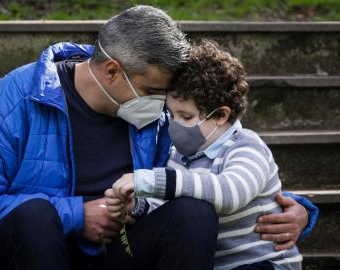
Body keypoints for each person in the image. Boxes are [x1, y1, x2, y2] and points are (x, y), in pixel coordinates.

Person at [0, 5, 316, 270]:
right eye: (153, 91)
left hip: (106, 255)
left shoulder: (158, 112)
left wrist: (288, 208)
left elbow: (212, 161)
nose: (162, 106)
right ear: (111, 70)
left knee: (192, 213)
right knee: (37, 217)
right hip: (20, 253)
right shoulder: (18, 98)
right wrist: (74, 215)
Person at [109, 40, 318, 270]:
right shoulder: (179, 155)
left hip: (264, 262)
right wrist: (136, 205)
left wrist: (151, 180)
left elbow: (230, 193)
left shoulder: (246, 146)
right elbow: (164, 206)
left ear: (220, 115)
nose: (174, 124)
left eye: (186, 117)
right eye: (171, 114)